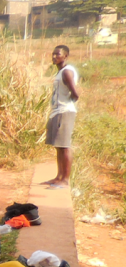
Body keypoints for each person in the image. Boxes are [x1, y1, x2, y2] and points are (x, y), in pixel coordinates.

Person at [41, 45, 78, 190]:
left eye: (58, 54)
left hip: (64, 111)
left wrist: (67, 105)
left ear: (66, 56)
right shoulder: (60, 72)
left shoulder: (67, 72)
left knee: (65, 145)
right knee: (58, 146)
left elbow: (75, 93)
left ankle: (65, 179)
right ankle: (59, 176)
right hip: (57, 111)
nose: (54, 56)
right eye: (53, 54)